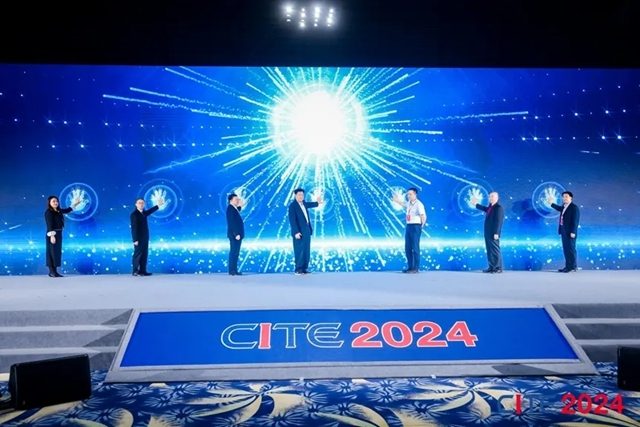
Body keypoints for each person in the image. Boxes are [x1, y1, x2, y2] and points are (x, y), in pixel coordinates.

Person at [44, 195, 82, 277]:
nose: (55, 203)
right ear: (49, 203)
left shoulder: (58, 210)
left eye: (56, 201)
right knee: (51, 252)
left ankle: (54, 272)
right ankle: (52, 271)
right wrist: (52, 236)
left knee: (56, 252)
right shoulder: (49, 212)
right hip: (52, 234)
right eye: (53, 201)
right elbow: (49, 225)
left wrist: (76, 203)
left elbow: (68, 210)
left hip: (58, 233)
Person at [288, 188, 323, 275]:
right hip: (299, 232)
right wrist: (296, 232)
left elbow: (311, 204)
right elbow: (292, 220)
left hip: (306, 229)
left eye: (302, 195)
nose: (301, 196)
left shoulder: (304, 203)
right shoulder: (292, 206)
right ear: (295, 195)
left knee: (306, 249)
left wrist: (318, 202)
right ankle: (298, 269)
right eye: (299, 195)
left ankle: (304, 268)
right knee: (299, 250)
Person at [394, 187, 427, 273]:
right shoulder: (409, 203)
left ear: (415, 194)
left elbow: (423, 216)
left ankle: (416, 268)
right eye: (408, 194)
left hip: (416, 226)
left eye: (410, 194)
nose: (408, 196)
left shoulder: (419, 204)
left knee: (415, 247)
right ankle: (410, 267)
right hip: (409, 225)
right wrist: (396, 200)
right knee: (408, 247)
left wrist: (421, 226)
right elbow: (403, 204)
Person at [471, 191, 505, 273]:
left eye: (492, 196)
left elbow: (499, 221)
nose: (490, 198)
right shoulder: (491, 207)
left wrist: (496, 233)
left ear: (497, 198)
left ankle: (498, 268)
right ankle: (492, 267)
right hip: (488, 232)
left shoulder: (498, 208)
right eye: (490, 196)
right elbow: (485, 209)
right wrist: (476, 204)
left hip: (493, 233)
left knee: (495, 250)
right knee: (490, 250)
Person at [130, 197, 164, 276]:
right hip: (138, 238)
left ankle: (143, 271)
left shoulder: (143, 213)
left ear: (144, 204)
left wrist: (158, 205)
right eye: (139, 203)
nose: (141, 204)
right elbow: (134, 228)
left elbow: (150, 211)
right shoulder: (134, 214)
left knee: (144, 254)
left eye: (142, 203)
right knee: (137, 254)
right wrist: (135, 239)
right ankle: (135, 271)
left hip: (145, 238)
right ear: (136, 204)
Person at [548, 190, 580, 272]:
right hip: (564, 231)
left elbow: (575, 221)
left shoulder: (574, 207)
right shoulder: (564, 206)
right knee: (566, 249)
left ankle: (571, 267)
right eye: (563, 197)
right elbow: (559, 208)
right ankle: (570, 266)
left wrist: (573, 232)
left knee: (571, 249)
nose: (564, 198)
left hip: (570, 232)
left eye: (566, 196)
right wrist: (551, 203)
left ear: (571, 198)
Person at [226, 193, 245, 276]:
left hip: (237, 235)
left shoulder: (233, 208)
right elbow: (232, 222)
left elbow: (237, 212)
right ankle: (232, 270)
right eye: (236, 199)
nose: (237, 201)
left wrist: (240, 206)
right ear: (231, 200)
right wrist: (236, 234)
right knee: (233, 252)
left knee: (236, 253)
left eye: (238, 199)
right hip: (235, 235)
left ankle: (234, 270)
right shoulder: (230, 209)